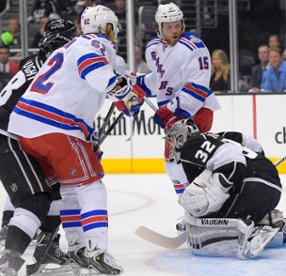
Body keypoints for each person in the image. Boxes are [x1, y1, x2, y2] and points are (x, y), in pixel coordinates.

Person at [8, 5, 145, 275]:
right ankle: (96, 251)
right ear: (107, 28)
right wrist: (125, 94)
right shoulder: (95, 43)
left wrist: (128, 90)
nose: (113, 35)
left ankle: (77, 248)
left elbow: (116, 80)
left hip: (26, 128)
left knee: (71, 189)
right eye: (113, 29)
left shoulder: (65, 49)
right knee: (92, 185)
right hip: (55, 126)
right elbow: (99, 75)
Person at [0, 19, 77, 275]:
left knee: (55, 188)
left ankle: (47, 249)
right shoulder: (53, 70)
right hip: (7, 135)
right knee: (35, 198)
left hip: (17, 133)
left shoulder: (37, 62)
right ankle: (9, 259)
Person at [167, 119, 286, 259]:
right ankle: (276, 223)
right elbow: (251, 143)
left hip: (252, 187)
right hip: (271, 187)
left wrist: (214, 195)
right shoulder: (219, 137)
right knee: (223, 201)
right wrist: (259, 168)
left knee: (215, 219)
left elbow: (232, 160)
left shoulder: (190, 146)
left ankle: (254, 233)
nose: (170, 146)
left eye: (171, 140)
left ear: (181, 137)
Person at [136, 2, 220, 197]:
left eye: (177, 25)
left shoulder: (193, 46)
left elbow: (198, 86)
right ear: (159, 28)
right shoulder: (153, 49)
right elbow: (160, 79)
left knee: (183, 162)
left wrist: (171, 108)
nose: (174, 30)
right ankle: (192, 207)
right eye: (169, 27)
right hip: (175, 115)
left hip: (196, 110)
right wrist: (136, 84)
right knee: (172, 164)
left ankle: (200, 207)